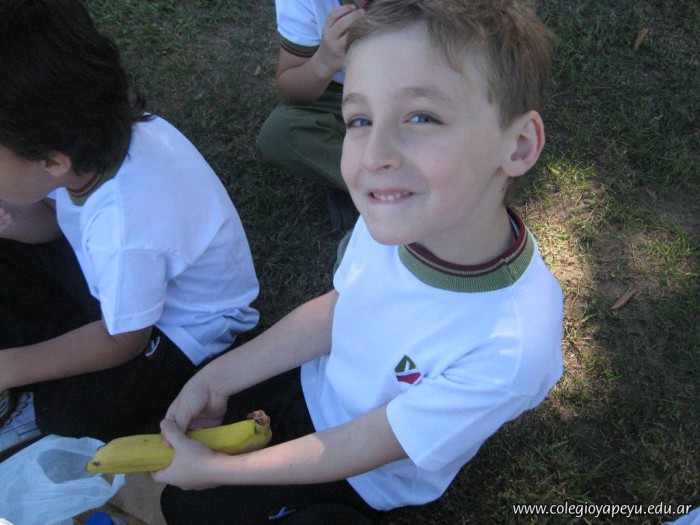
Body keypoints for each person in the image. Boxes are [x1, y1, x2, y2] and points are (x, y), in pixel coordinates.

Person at [155, 0, 563, 522]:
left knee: (196, 509)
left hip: (363, 477)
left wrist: (219, 471)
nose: (373, 155)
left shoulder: (511, 345)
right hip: (313, 386)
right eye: (360, 119)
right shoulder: (394, 221)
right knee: (176, 460)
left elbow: (370, 444)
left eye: (422, 117)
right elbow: (340, 310)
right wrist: (216, 378)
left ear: (519, 145)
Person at [0, 0, 260, 445]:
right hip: (125, 282)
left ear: (53, 161)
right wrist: (11, 224)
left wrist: (10, 367)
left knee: (74, 416)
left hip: (179, 329)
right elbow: (58, 224)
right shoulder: (93, 143)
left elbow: (124, 339)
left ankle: (30, 375)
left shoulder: (124, 224)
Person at [256, 0, 368, 230]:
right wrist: (324, 61)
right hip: (343, 94)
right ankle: (391, 183)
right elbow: (290, 88)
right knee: (280, 134)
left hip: (421, 87)